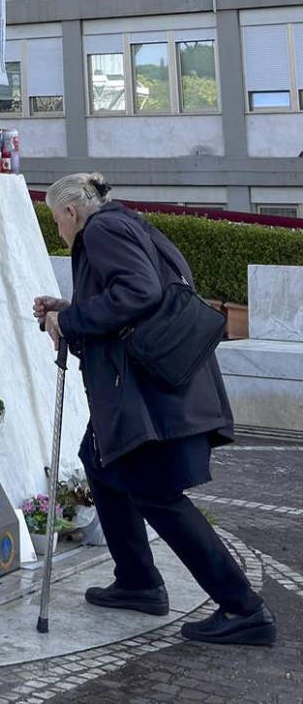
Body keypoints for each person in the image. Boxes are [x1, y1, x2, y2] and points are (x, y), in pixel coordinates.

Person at [34, 173, 276, 648]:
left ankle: (243, 608)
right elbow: (137, 296)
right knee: (100, 464)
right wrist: (70, 307)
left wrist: (71, 318)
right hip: (153, 389)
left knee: (157, 495)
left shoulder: (100, 230)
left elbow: (139, 293)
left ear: (69, 212)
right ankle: (138, 582)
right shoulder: (128, 225)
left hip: (147, 396)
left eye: (55, 220)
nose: (59, 230)